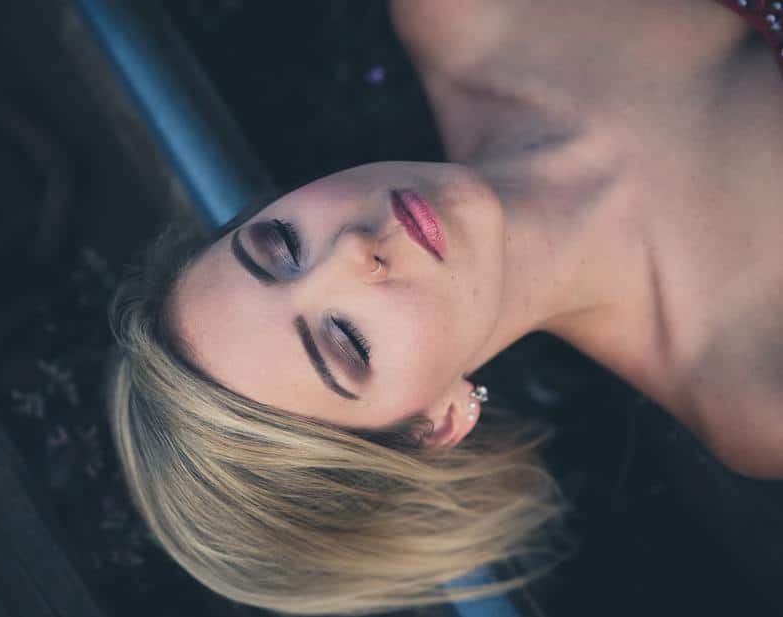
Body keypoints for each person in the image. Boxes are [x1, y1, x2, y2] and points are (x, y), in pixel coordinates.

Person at [107, 1, 783, 615]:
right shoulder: (755, 390)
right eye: (347, 341)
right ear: (437, 425)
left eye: (282, 245)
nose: (349, 252)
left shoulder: (466, 15)